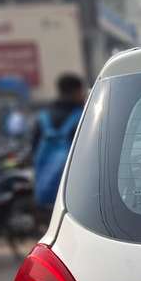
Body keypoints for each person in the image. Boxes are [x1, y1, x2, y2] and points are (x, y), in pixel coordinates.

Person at [32, 73, 86, 207]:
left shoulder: (43, 117)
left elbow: (34, 150)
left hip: (46, 190)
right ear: (76, 91)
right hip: (75, 194)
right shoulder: (82, 116)